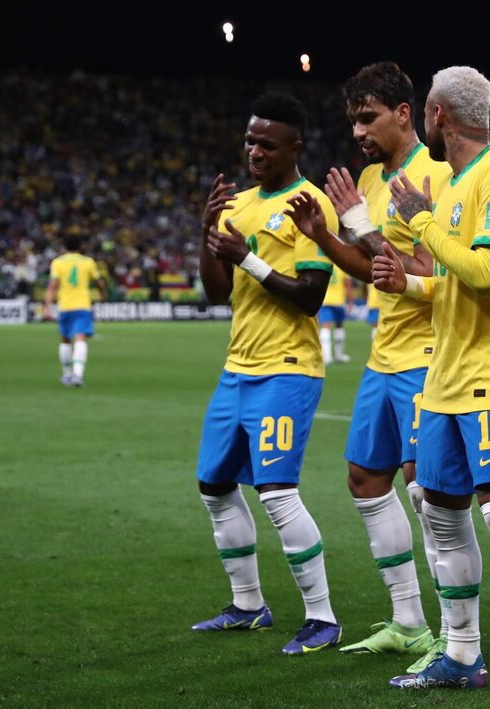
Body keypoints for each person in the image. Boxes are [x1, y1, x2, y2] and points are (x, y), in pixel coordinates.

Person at [371, 65, 490, 709]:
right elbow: (454, 282)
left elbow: (485, 272)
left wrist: (422, 227)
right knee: (441, 511)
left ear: (435, 114)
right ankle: (462, 654)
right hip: (446, 376)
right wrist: (410, 286)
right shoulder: (452, 187)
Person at [283, 61, 450, 668]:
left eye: (368, 117)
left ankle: (455, 637)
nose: (358, 131)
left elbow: (435, 273)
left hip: (429, 353)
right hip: (385, 355)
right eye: (353, 119)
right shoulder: (370, 179)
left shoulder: (435, 174)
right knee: (364, 478)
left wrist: (359, 225)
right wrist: (326, 236)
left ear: (404, 114)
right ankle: (407, 622)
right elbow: (371, 268)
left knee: (427, 492)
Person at [192, 92, 344, 656]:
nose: (254, 151)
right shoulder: (240, 204)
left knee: (277, 492)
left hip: (288, 368)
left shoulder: (310, 206)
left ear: (294, 148)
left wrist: (247, 258)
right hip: (237, 368)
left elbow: (310, 298)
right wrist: (207, 232)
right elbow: (216, 293)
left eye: (267, 144)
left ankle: (323, 618)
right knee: (214, 486)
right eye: (250, 140)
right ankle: (248, 605)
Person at [44, 237, 107, 385]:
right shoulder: (88, 262)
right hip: (82, 305)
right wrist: (103, 294)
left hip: (65, 306)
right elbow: (99, 282)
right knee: (80, 338)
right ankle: (78, 375)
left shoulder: (58, 262)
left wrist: (47, 305)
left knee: (65, 340)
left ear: (64, 247)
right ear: (81, 247)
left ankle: (67, 375)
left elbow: (52, 286)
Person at [319, 265, 354, 364]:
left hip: (325, 299)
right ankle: (339, 355)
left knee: (325, 326)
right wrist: (351, 302)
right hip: (339, 300)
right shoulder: (341, 265)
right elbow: (348, 285)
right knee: (339, 326)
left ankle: (327, 356)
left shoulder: (324, 265)